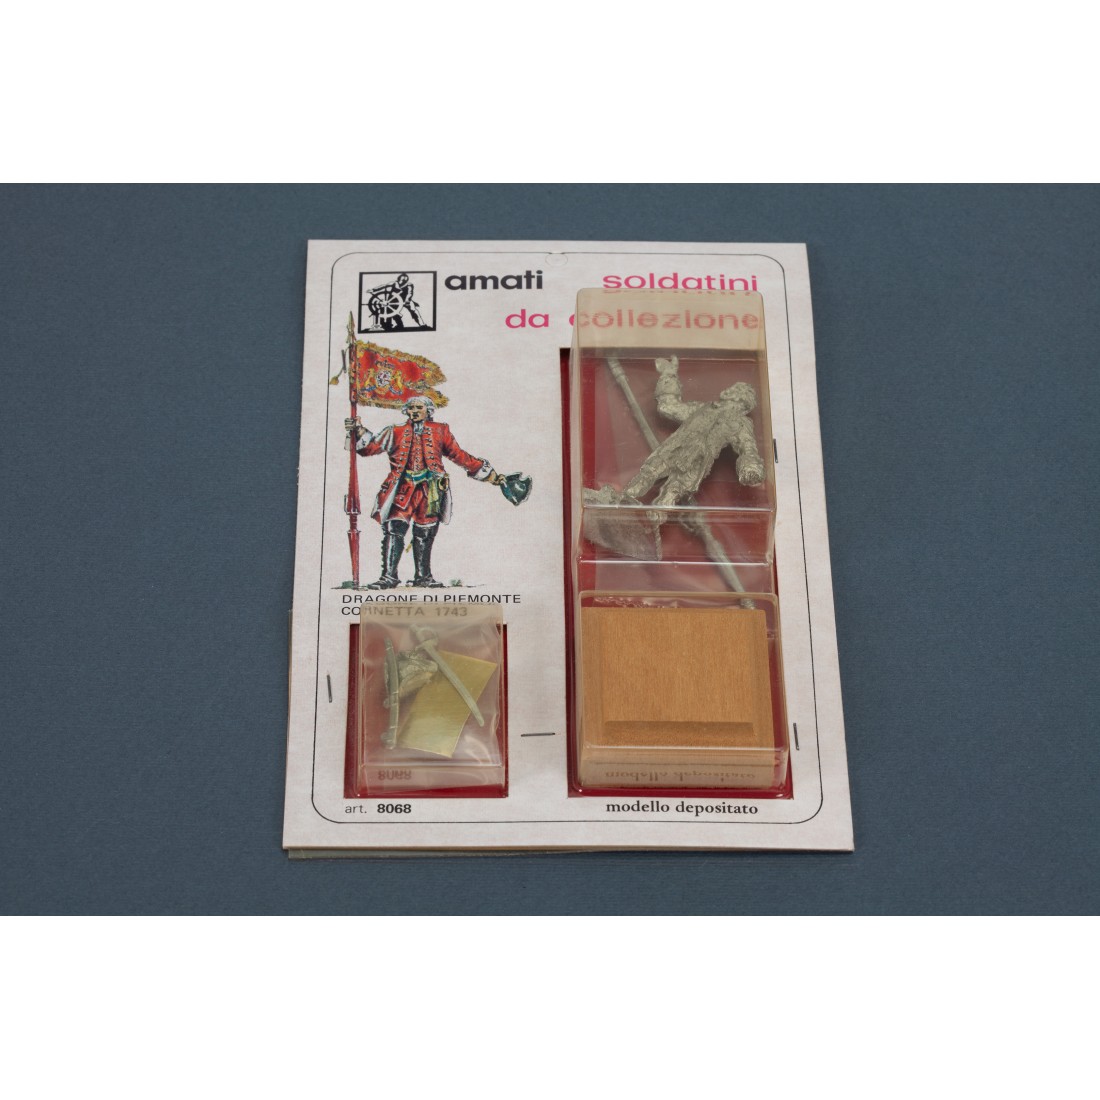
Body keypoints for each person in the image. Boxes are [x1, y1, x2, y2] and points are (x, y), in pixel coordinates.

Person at [346, 396, 505, 588]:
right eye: (411, 408)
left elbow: (458, 455)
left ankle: (423, 577)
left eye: (419, 407)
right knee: (394, 529)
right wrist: (358, 430)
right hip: (402, 489)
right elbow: (369, 448)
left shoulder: (440, 430)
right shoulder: (394, 431)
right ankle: (388, 577)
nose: (414, 411)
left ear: (428, 410)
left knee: (425, 532)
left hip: (431, 491)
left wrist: (490, 475)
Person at [623, 356, 765, 507]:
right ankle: (625, 497)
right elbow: (669, 407)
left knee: (675, 489)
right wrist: (669, 374)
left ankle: (659, 511)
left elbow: (748, 448)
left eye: (741, 402)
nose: (735, 404)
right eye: (737, 398)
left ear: (744, 407)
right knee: (649, 473)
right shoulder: (702, 408)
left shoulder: (740, 422)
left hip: (699, 456)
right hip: (674, 447)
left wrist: (751, 470)